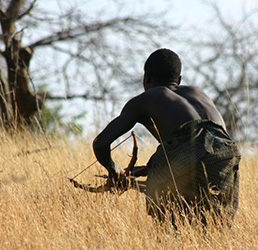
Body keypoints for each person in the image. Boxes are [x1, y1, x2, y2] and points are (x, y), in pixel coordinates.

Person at [92, 48, 240, 226]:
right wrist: (147, 170)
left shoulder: (145, 99)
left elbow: (100, 144)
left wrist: (115, 171)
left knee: (172, 226)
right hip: (226, 153)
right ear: (178, 80)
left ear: (146, 79)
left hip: (187, 146)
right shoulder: (199, 93)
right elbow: (207, 145)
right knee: (216, 226)